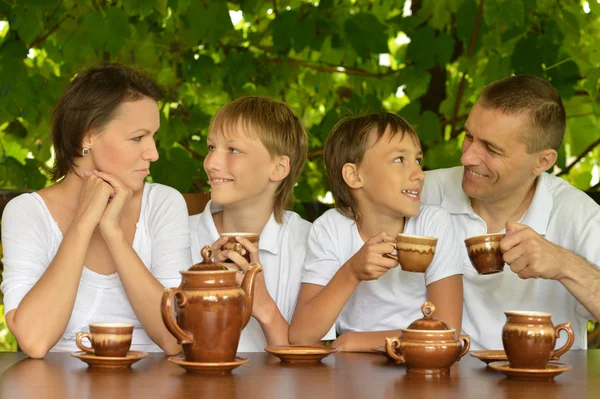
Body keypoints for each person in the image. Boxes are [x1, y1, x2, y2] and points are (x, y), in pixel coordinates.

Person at [1, 64, 191, 358]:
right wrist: (83, 224)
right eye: (138, 137)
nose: (152, 153)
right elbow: (34, 342)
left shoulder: (163, 204)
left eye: (153, 136)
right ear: (86, 137)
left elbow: (174, 337)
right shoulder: (26, 213)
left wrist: (113, 234)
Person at [421, 75, 600, 350]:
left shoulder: (577, 213)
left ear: (542, 161)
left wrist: (563, 264)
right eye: (469, 136)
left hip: (543, 389)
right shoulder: (421, 193)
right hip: (437, 383)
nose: (467, 157)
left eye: (491, 148)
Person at [289, 112, 464, 351]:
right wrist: (351, 272)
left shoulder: (433, 223)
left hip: (418, 367)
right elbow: (301, 335)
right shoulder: (331, 228)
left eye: (418, 161)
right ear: (354, 175)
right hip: (351, 372)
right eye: (400, 160)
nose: (419, 174)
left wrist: (356, 341)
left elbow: (447, 332)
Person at [189, 96, 310, 351]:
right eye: (211, 147)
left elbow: (308, 369)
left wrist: (263, 306)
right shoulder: (176, 234)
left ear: (278, 168)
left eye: (233, 150)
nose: (210, 163)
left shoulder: (311, 243)